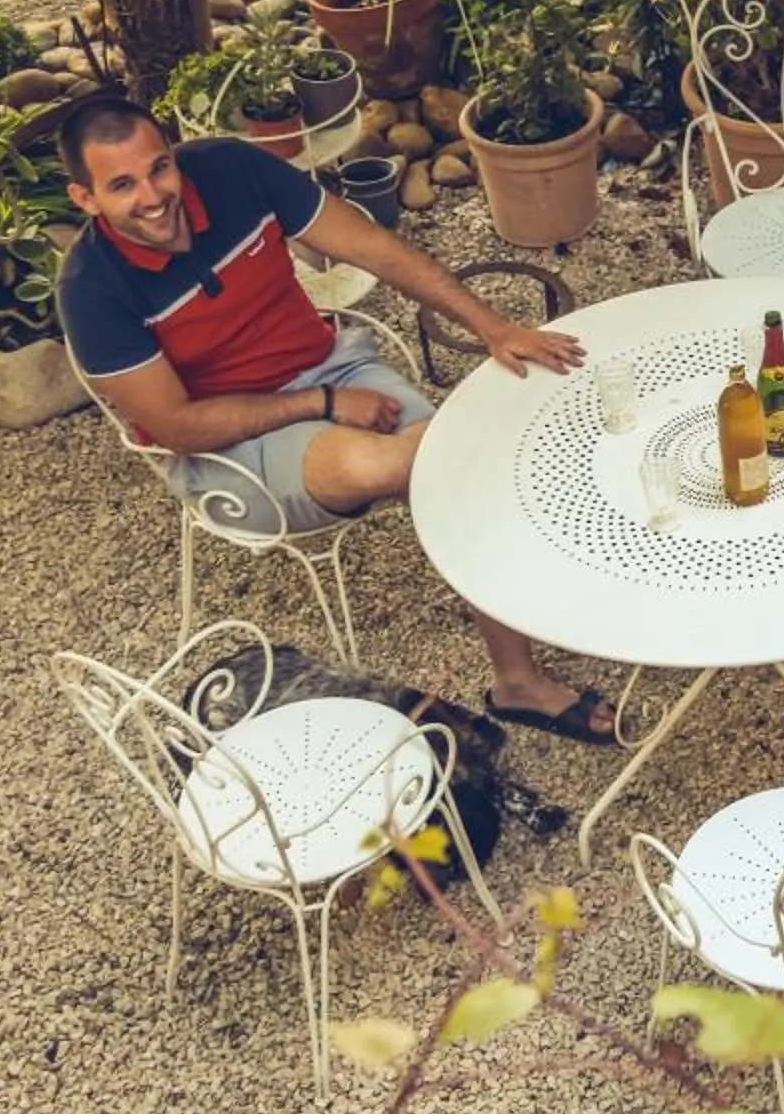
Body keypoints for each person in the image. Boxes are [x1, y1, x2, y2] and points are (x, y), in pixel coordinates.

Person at [53, 94, 615, 742]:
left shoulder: (231, 170)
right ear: (86, 199)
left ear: (174, 156)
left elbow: (373, 248)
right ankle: (543, 595)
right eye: (121, 185)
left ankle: (517, 682)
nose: (152, 196)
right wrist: (320, 405)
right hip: (230, 451)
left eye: (158, 169)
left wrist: (493, 327)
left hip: (331, 367)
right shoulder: (92, 292)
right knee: (434, 458)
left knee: (460, 459)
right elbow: (179, 427)